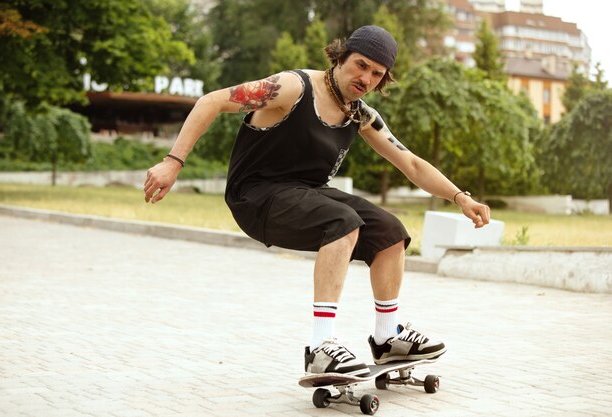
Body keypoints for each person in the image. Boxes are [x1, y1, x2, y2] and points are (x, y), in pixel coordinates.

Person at [144, 25, 491, 377]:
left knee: (389, 231)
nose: (365, 77)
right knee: (340, 221)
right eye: (360, 64)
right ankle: (321, 346)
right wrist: (173, 162)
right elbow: (212, 101)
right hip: (256, 196)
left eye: (376, 73)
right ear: (340, 57)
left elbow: (412, 163)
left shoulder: (360, 114)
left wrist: (460, 197)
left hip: (307, 194)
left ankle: (387, 337)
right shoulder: (293, 88)